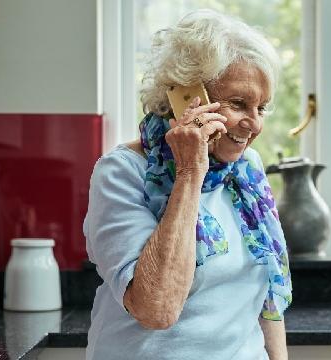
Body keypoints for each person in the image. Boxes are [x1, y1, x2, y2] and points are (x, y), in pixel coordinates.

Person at [83, 9, 292, 360]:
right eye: (239, 104)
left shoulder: (247, 172)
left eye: (262, 108)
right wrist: (190, 173)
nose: (253, 124)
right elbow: (156, 308)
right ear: (185, 95)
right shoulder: (121, 173)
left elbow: (266, 295)